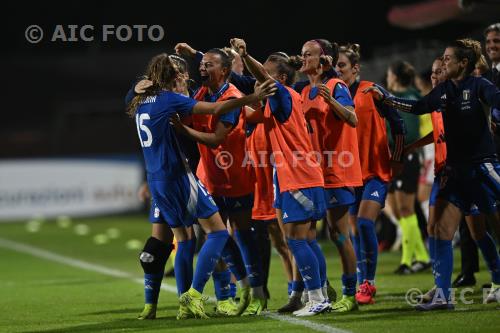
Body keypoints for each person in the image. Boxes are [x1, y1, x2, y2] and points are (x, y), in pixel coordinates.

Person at [127, 53, 276, 319]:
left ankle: (179, 305)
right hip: (180, 177)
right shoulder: (171, 100)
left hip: (157, 180)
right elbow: (217, 110)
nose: (186, 75)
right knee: (218, 233)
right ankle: (195, 294)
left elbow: (133, 96)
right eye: (179, 72)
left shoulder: (139, 102)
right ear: (170, 77)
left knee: (183, 240)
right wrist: (252, 98)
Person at [365, 38, 500, 310]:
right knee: (439, 229)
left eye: (448, 59)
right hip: (454, 172)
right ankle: (443, 294)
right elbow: (417, 107)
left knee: (493, 229)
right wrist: (388, 99)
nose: (442, 63)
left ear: (463, 63)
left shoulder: (479, 86)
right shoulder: (445, 91)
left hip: (483, 169)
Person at [230, 37, 331, 316]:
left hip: (298, 177)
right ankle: (320, 296)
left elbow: (259, 77)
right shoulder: (285, 98)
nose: (260, 76)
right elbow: (250, 110)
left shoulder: (283, 93)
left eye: (266, 72)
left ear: (281, 77)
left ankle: (316, 298)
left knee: (296, 241)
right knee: (307, 240)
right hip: (303, 176)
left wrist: (246, 54)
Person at [172, 47, 268, 316]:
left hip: (236, 178)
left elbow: (216, 139)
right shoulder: (202, 94)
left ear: (224, 71)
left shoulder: (233, 97)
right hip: (209, 180)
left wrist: (183, 129)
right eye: (201, 64)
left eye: (208, 65)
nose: (202, 68)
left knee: (243, 236)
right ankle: (226, 296)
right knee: (215, 238)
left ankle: (257, 292)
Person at [336, 44, 406, 306]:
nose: (338, 70)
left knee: (365, 223)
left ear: (355, 68)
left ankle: (368, 283)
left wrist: (397, 158)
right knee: (352, 231)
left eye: (342, 65)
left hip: (375, 170)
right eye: (336, 66)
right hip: (348, 172)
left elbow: (398, 123)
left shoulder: (371, 90)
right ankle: (358, 280)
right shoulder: (334, 93)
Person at [294, 38, 360, 312]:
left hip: (338, 170)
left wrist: (331, 100)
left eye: (308, 54)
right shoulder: (304, 90)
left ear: (323, 60)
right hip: (315, 172)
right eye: (302, 53)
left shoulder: (336, 86)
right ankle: (318, 291)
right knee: (310, 235)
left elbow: (352, 118)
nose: (303, 58)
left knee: (339, 234)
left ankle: (350, 294)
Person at [384, 60, 430, 275]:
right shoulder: (392, 99)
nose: (388, 78)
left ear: (395, 76)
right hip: (393, 159)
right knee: (396, 209)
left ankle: (406, 261)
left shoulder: (409, 99)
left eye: (389, 74)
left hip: (406, 158)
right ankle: (422, 256)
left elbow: (410, 134)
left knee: (405, 209)